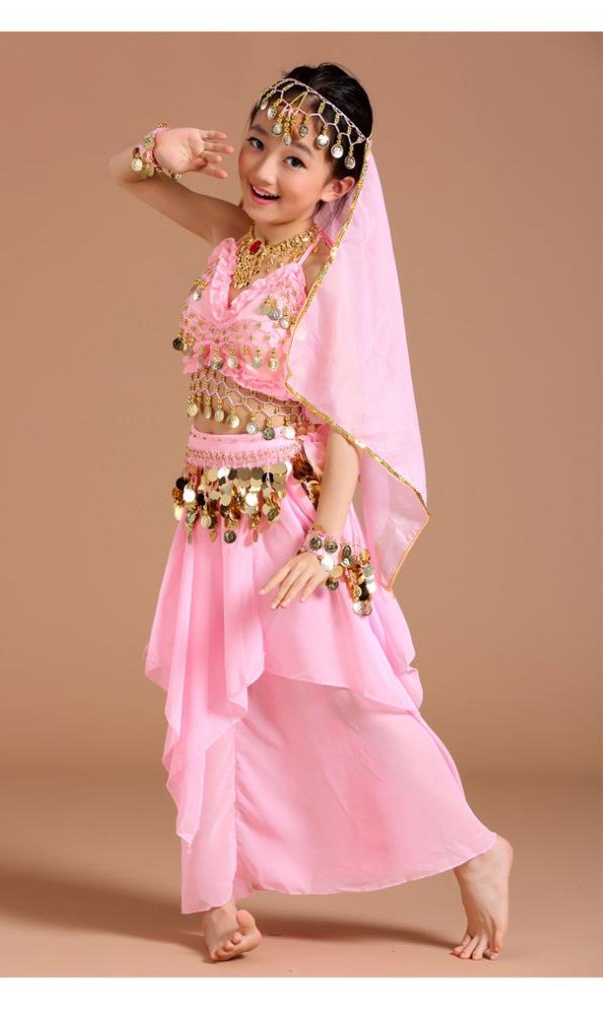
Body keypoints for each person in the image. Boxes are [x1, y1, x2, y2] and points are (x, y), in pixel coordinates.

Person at [108, 62, 513, 965]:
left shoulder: (327, 270)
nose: (264, 169)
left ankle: (476, 848)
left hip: (288, 513)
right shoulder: (233, 236)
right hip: (210, 515)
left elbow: (347, 420)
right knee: (212, 698)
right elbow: (129, 180)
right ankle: (217, 901)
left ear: (337, 186)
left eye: (296, 159)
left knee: (355, 695)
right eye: (258, 143)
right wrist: (159, 150)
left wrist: (329, 539)